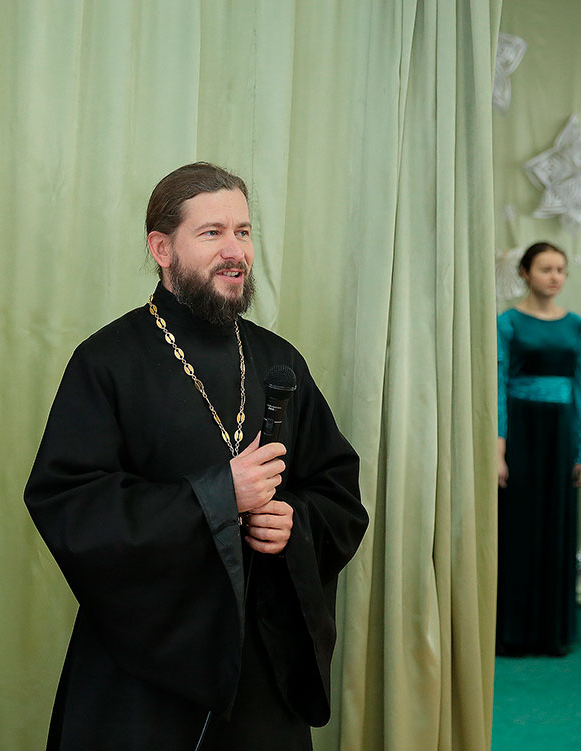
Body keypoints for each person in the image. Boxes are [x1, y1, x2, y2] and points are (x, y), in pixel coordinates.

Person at [24, 162, 367, 750]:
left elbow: (337, 492)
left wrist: (295, 522)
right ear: (162, 248)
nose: (235, 251)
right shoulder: (107, 361)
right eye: (212, 233)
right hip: (141, 679)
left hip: (262, 675)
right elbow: (71, 507)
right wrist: (217, 496)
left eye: (243, 231)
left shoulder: (277, 358)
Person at [496, 241, 581, 656]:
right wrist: (498, 451)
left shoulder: (576, 326)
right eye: (546, 269)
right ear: (524, 273)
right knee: (518, 528)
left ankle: (551, 632)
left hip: (560, 435)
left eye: (561, 270)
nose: (555, 277)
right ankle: (514, 632)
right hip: (521, 432)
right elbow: (497, 388)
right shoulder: (507, 323)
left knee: (556, 526)